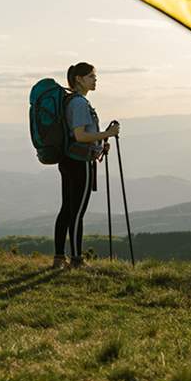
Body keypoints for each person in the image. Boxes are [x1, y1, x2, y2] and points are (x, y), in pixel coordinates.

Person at [53, 62, 120, 269]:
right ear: (78, 80)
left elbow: (80, 136)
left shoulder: (70, 101)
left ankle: (58, 258)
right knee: (77, 211)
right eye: (91, 76)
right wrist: (108, 134)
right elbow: (80, 135)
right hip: (80, 162)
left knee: (67, 209)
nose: (95, 79)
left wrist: (100, 145)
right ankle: (76, 259)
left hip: (68, 159)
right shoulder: (80, 103)